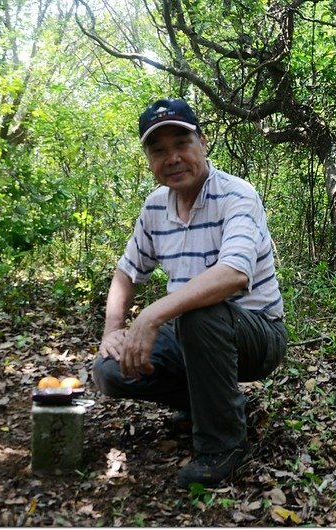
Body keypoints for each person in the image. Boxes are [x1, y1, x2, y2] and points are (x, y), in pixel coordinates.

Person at [92, 98, 287, 488]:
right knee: (110, 369)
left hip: (256, 334)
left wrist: (151, 315)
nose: (173, 158)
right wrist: (113, 330)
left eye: (182, 143)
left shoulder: (237, 195)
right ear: (148, 159)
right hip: (191, 334)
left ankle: (224, 446)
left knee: (201, 312)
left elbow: (233, 275)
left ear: (203, 141)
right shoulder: (154, 208)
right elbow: (128, 272)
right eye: (159, 150)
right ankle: (214, 409)